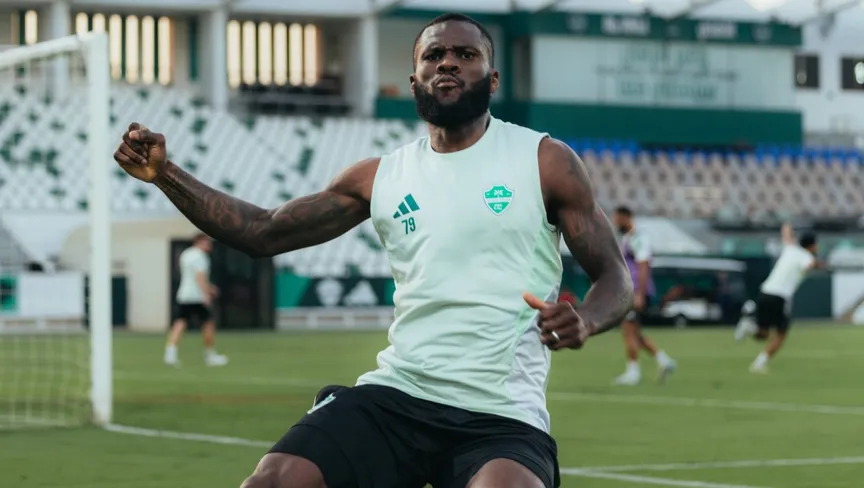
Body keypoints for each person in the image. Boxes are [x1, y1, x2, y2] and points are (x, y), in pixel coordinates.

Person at [113, 12, 633, 488]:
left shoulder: (544, 160)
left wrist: (585, 320)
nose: (448, 62)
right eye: (433, 55)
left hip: (500, 413)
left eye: (466, 54)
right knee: (274, 480)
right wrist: (165, 174)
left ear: (493, 79)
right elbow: (261, 231)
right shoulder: (380, 177)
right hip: (398, 395)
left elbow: (616, 278)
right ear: (414, 81)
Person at [734, 223, 819, 373]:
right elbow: (809, 265)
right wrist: (820, 264)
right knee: (781, 334)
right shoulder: (806, 257)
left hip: (765, 291)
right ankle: (759, 364)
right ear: (811, 245)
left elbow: (786, 234)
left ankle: (749, 327)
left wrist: (787, 226)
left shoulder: (790, 248)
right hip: (780, 296)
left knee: (763, 334)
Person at [611, 206, 676, 385]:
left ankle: (633, 372)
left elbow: (643, 265)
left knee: (628, 330)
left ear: (626, 217)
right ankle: (663, 360)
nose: (615, 223)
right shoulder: (627, 238)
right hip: (629, 290)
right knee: (634, 331)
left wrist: (639, 293)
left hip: (635, 291)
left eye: (617, 219)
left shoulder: (639, 238)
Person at [164, 233, 228, 367]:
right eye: (207, 242)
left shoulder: (186, 254)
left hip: (184, 294)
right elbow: (200, 277)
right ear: (200, 242)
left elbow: (191, 276)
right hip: (196, 296)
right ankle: (210, 356)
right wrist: (206, 294)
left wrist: (209, 288)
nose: (209, 245)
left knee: (180, 323)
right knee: (208, 324)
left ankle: (170, 354)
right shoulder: (200, 256)